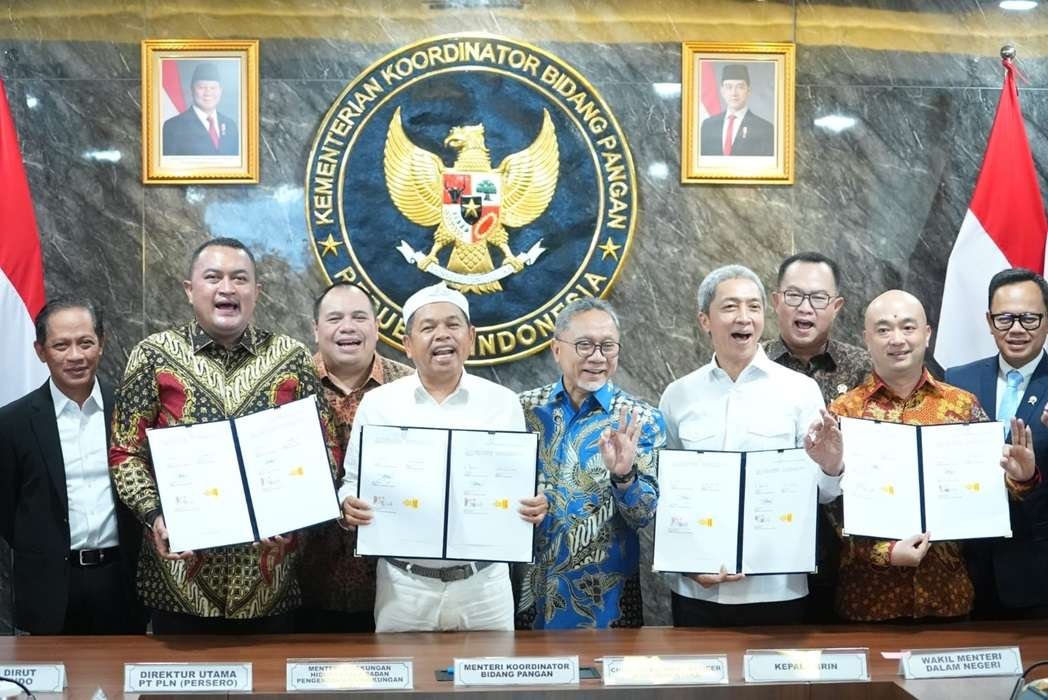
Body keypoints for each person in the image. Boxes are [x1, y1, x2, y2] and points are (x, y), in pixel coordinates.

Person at [108, 237, 339, 634]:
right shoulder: (153, 355)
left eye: (240, 278)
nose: (227, 288)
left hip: (269, 583)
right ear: (189, 289)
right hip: (179, 584)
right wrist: (154, 515)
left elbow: (326, 447)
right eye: (213, 277)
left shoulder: (291, 358)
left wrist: (295, 512)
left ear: (257, 291)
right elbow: (124, 452)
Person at [338, 282, 548, 633]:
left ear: (471, 337)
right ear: (407, 344)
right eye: (428, 327)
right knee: (404, 671)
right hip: (403, 588)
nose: (442, 335)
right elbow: (353, 482)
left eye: (453, 325)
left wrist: (536, 503)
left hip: (485, 586)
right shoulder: (380, 404)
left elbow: (522, 482)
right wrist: (347, 504)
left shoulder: (503, 403)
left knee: (491, 670)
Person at [829, 290, 1036, 622]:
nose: (897, 339)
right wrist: (884, 553)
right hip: (868, 600)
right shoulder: (844, 411)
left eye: (908, 327)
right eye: (883, 329)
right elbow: (829, 505)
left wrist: (1020, 478)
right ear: (866, 339)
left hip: (948, 596)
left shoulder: (961, 405)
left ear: (927, 334)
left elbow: (988, 496)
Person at [659, 264, 844, 627]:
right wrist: (684, 563)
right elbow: (666, 491)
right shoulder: (678, 395)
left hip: (776, 589)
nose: (743, 317)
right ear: (705, 320)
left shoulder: (799, 390)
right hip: (698, 589)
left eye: (753, 307)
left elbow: (822, 494)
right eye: (730, 307)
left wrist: (830, 464)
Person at [517, 298, 665, 629]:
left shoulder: (640, 419)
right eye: (584, 345)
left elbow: (644, 515)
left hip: (608, 608)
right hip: (528, 600)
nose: (597, 357)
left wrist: (625, 476)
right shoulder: (521, 412)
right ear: (557, 349)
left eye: (607, 346)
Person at [0, 299, 144, 635]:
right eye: (61, 345)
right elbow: (7, 510)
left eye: (85, 342)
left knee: (122, 668)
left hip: (121, 582)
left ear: (102, 343)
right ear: (40, 351)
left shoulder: (130, 412)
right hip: (49, 588)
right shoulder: (12, 423)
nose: (75, 356)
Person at [296, 282, 414, 633]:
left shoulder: (410, 387)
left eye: (359, 317)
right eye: (335, 318)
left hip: (394, 588)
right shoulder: (288, 385)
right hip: (301, 584)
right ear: (316, 330)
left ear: (376, 327)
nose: (347, 327)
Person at [765, 251, 869, 623]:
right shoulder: (753, 366)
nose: (805, 308)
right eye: (794, 295)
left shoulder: (865, 369)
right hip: (772, 544)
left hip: (853, 550)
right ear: (776, 301)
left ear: (836, 306)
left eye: (818, 298)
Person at [945, 268, 1048, 619]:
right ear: (989, 322)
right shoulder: (957, 380)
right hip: (965, 571)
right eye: (1005, 318)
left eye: (1029, 318)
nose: (1016, 329)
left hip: (1037, 572)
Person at [162, 62, 239, 156]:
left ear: (220, 91)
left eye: (213, 88)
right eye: (202, 87)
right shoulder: (173, 127)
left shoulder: (231, 126)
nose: (208, 93)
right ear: (192, 89)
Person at [699, 64, 774, 157]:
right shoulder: (708, 125)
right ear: (722, 91)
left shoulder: (765, 129)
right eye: (729, 87)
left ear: (748, 91)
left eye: (740, 87)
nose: (734, 93)